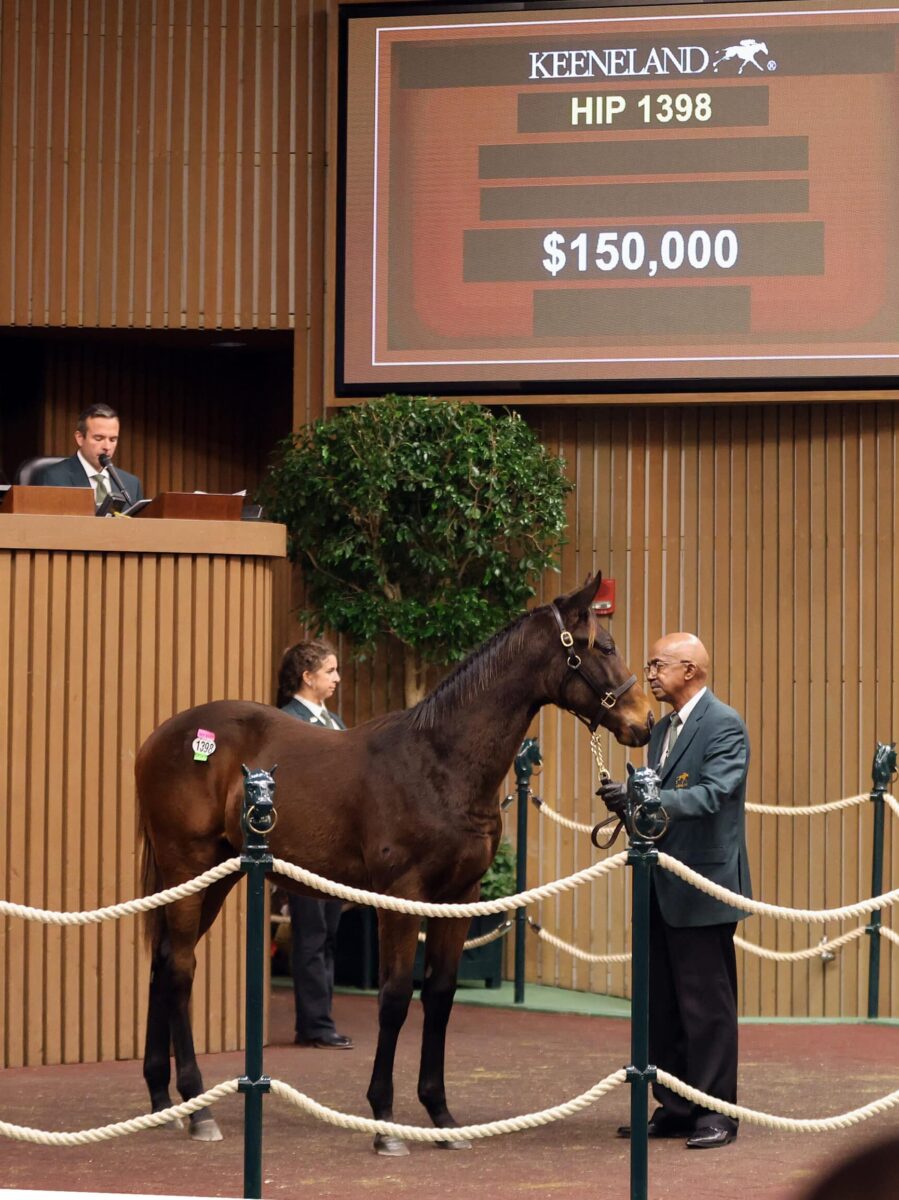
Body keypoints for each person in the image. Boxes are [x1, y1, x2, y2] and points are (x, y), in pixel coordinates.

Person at [601, 632, 751, 1149]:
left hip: (703, 884)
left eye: (657, 665)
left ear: (690, 670)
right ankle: (676, 1106)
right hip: (659, 883)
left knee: (705, 1005)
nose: (648, 674)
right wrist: (628, 801)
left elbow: (713, 794)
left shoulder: (725, 725)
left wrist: (651, 795)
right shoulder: (661, 729)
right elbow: (658, 801)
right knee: (660, 1001)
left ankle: (716, 1113)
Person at [276, 639, 354, 1050]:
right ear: (307, 677)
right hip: (304, 848)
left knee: (327, 935)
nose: (336, 678)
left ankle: (322, 1018)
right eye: (330, 671)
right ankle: (314, 1024)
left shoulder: (334, 721)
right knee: (309, 935)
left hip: (333, 849)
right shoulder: (287, 721)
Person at [32, 403, 143, 506]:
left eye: (113, 440)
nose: (107, 447)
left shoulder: (131, 484)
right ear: (80, 438)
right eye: (99, 438)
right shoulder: (54, 478)